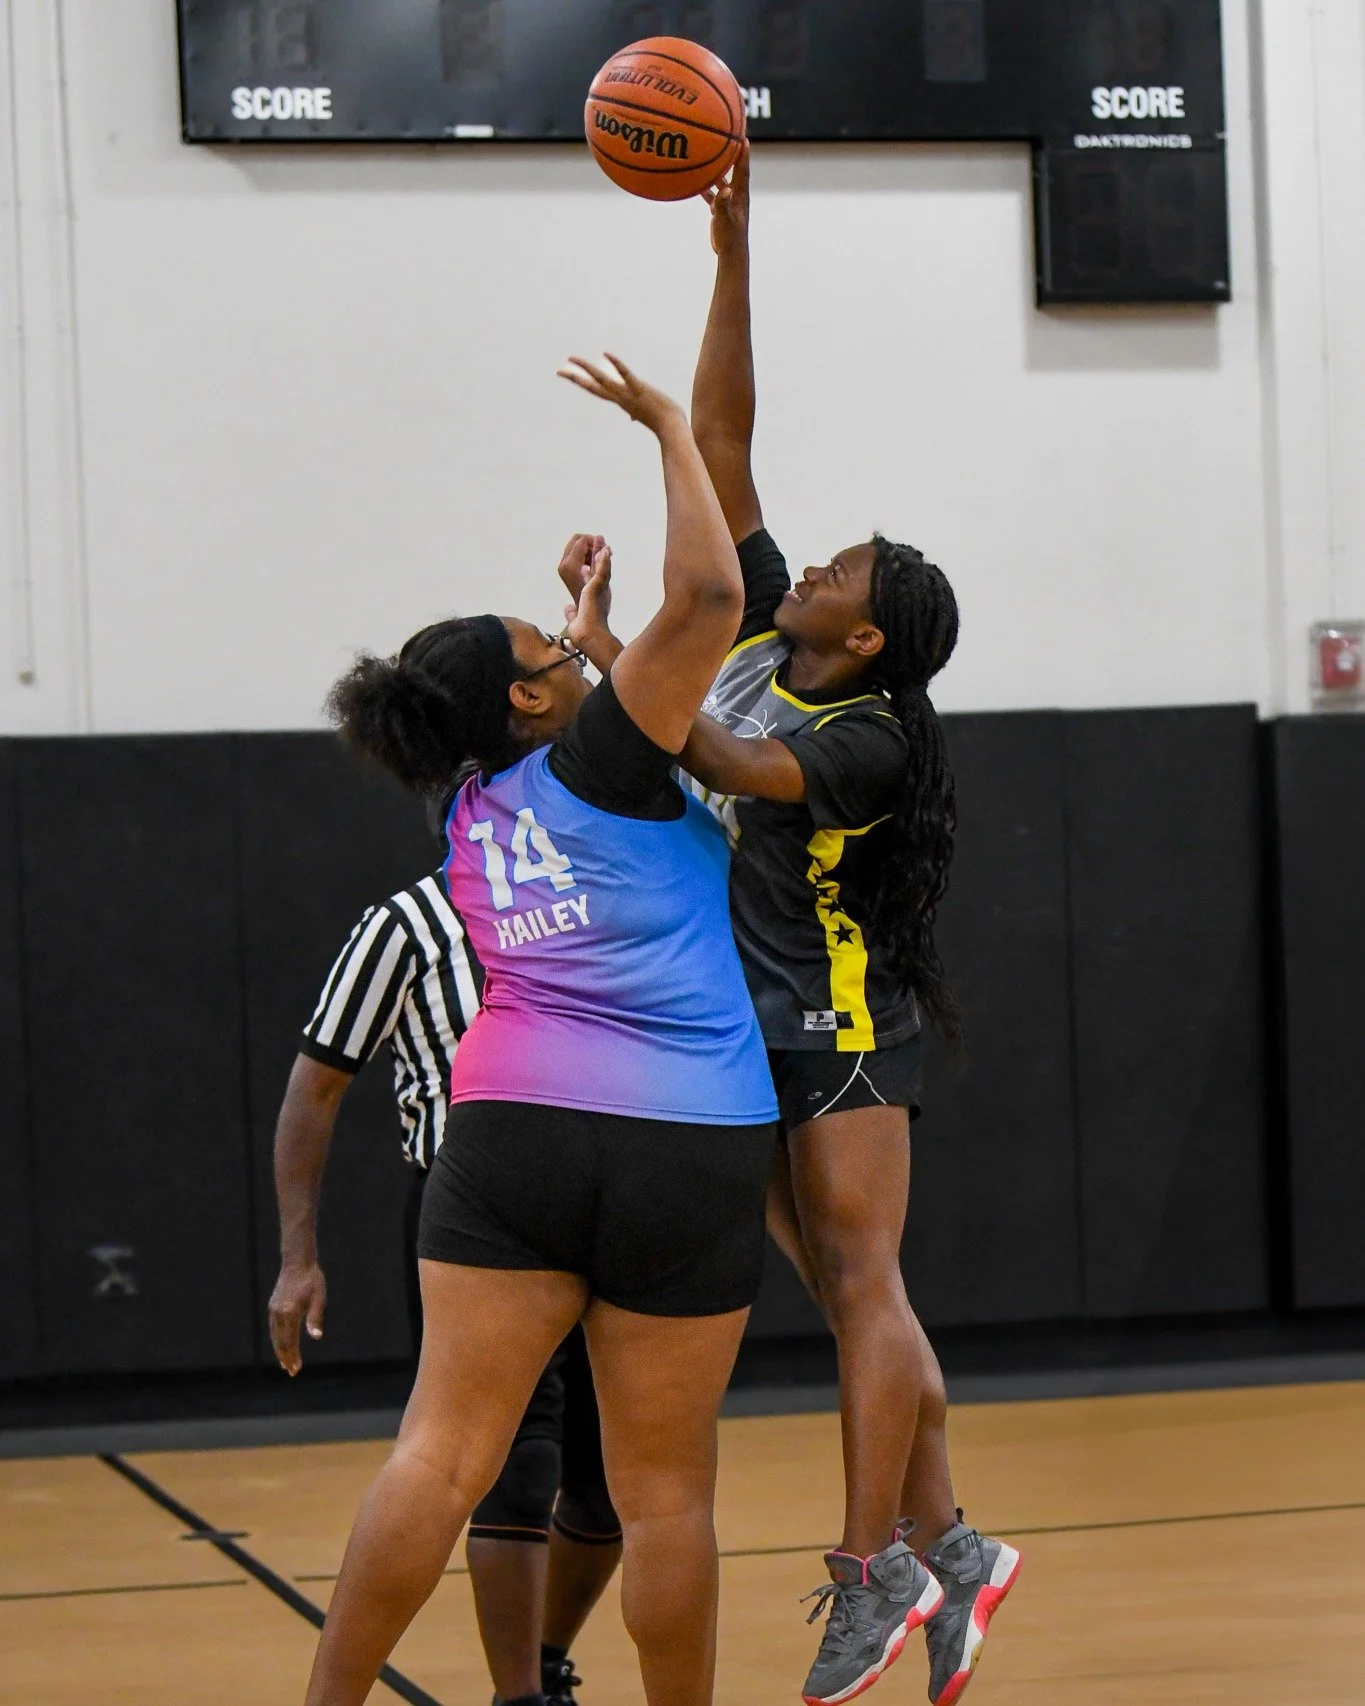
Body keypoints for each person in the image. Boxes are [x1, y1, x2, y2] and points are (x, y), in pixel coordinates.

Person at [559, 147, 1019, 1706]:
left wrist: (624, 667)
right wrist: (731, 258)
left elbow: (729, 759)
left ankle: (871, 1563)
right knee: (848, 1295)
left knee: (864, 1289)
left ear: (868, 631)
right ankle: (953, 1545)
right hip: (739, 1016)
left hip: (836, 1024)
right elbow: (737, 437)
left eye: (841, 568)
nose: (812, 557)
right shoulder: (770, 635)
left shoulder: (872, 730)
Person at [300, 351, 780, 1706]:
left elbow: (613, 708)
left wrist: (590, 626)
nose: (570, 656)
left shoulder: (470, 813)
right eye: (550, 653)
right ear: (528, 702)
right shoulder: (606, 758)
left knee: (437, 1456)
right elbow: (715, 596)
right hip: (686, 1137)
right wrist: (670, 429)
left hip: (504, 1131)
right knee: (666, 1493)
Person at [265, 869, 622, 1706]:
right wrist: (296, 1258)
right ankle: (519, 1697)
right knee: (517, 1463)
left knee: (609, 1485)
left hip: (607, 1200)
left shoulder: (601, 893)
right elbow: (313, 1088)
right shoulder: (405, 923)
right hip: (475, 1208)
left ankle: (544, 1659)